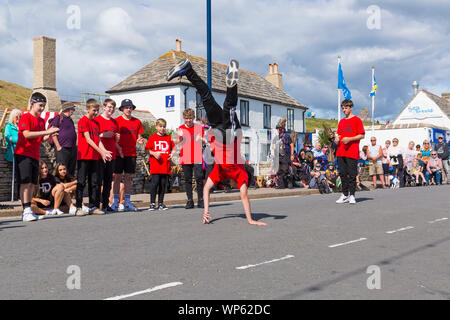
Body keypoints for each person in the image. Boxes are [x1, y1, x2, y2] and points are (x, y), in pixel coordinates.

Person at [167, 58, 266, 226]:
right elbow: (244, 197)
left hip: (219, 130)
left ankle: (188, 69)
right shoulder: (240, 175)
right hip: (229, 134)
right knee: (225, 104)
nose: (237, 186)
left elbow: (206, 190)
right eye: (238, 185)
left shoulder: (220, 173)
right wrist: (250, 220)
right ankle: (231, 82)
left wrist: (206, 211)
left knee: (209, 98)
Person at [15, 92, 59, 222]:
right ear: (32, 103)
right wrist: (47, 131)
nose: (42, 108)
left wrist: (50, 135)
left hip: (34, 155)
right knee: (25, 182)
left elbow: (41, 139)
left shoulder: (41, 120)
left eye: (44, 106)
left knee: (32, 184)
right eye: (40, 105)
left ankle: (28, 210)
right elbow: (27, 134)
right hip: (23, 154)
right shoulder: (25, 117)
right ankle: (26, 210)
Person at [75, 99, 112, 216]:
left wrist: (104, 151)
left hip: (94, 157)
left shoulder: (96, 123)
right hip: (84, 156)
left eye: (97, 110)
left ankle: (93, 206)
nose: (96, 113)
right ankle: (78, 207)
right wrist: (101, 152)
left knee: (95, 182)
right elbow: (88, 139)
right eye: (94, 110)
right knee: (81, 182)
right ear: (87, 109)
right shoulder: (83, 121)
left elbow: (98, 140)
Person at [111, 99, 144, 212]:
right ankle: (115, 202)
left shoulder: (137, 122)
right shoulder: (116, 121)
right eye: (126, 107)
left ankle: (127, 202)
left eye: (130, 107)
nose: (128, 109)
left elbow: (139, 137)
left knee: (128, 178)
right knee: (117, 177)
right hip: (119, 153)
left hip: (131, 153)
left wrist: (140, 140)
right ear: (122, 109)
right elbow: (112, 138)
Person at [334, 99, 365, 204]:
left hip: (352, 151)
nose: (344, 110)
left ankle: (352, 195)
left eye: (345, 108)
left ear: (351, 108)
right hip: (340, 151)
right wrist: (337, 139)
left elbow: (362, 135)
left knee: (352, 174)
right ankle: (344, 194)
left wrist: (349, 139)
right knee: (342, 174)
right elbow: (338, 135)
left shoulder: (357, 120)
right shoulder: (341, 121)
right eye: (342, 108)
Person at [95, 99, 120, 213]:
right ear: (103, 107)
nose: (111, 109)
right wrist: (103, 135)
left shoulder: (114, 122)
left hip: (112, 155)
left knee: (108, 181)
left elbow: (116, 138)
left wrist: (116, 138)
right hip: (100, 155)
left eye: (113, 107)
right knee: (98, 181)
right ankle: (95, 205)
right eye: (109, 107)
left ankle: (105, 204)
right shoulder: (97, 120)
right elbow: (94, 137)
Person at [177, 108, 205, 209]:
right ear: (184, 118)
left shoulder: (199, 127)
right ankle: (190, 200)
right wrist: (180, 137)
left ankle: (201, 199)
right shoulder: (181, 128)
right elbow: (179, 145)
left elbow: (204, 141)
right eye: (186, 118)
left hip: (197, 156)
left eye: (190, 118)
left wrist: (201, 139)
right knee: (188, 180)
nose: (188, 120)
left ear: (193, 118)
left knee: (199, 178)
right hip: (186, 157)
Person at [145, 118, 175, 211]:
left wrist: (172, 154)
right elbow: (146, 150)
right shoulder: (152, 137)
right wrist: (153, 153)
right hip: (155, 166)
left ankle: (161, 203)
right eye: (160, 126)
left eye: (164, 127)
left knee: (163, 185)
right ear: (156, 127)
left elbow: (174, 148)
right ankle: (152, 203)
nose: (162, 128)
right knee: (154, 184)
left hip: (165, 166)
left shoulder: (168, 138)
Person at [49, 102, 77, 176]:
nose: (73, 110)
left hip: (72, 148)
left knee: (70, 170)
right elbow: (53, 132)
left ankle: (69, 185)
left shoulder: (70, 119)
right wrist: (58, 147)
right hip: (62, 149)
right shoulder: (58, 118)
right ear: (67, 109)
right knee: (62, 170)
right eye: (72, 109)